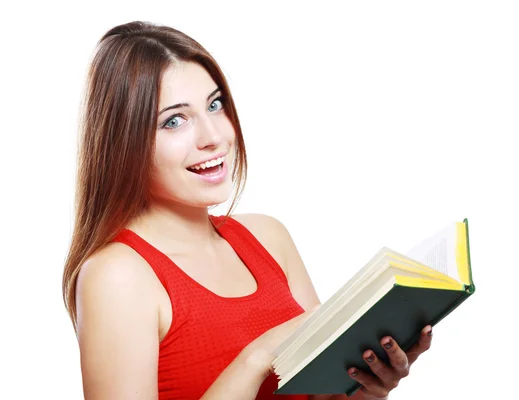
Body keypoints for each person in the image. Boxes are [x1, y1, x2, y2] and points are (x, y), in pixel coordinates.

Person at [62, 20, 433, 400]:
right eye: (174, 120)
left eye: (215, 104)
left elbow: (325, 395)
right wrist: (256, 358)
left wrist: (368, 387)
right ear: (124, 142)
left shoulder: (268, 237)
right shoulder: (118, 275)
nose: (213, 137)